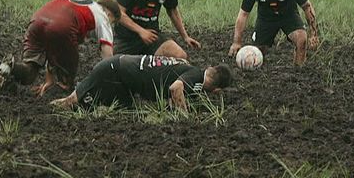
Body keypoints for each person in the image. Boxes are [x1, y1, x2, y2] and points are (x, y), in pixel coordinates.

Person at [0, 0, 121, 95]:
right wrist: (110, 82)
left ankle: (9, 67)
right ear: (109, 14)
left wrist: (49, 79)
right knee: (67, 81)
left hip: (37, 20)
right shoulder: (103, 16)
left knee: (29, 73)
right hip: (62, 26)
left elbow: (53, 47)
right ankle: (56, 101)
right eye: (112, 22)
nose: (110, 24)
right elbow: (107, 54)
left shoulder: (78, 0)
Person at [50, 54, 231, 112]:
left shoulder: (187, 68)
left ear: (210, 67)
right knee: (72, 103)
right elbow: (175, 88)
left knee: (125, 110)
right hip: (115, 71)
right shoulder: (195, 77)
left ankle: (52, 108)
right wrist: (184, 117)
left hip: (122, 71)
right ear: (216, 90)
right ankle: (49, 110)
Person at [229, 0, 319, 66]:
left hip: (288, 16)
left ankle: (298, 70)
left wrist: (314, 34)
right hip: (266, 19)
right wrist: (237, 42)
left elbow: (307, 7)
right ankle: (258, 75)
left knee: (302, 39)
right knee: (257, 51)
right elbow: (243, 15)